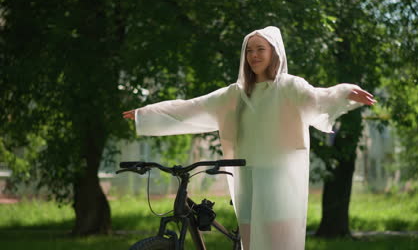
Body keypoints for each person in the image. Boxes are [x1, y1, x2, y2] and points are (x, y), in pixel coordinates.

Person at [123, 26, 375, 250]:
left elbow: (319, 99)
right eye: (249, 50)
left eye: (260, 49)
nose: (253, 55)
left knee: (277, 243)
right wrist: (144, 114)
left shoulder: (289, 86)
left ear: (274, 52)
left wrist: (345, 92)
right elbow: (190, 108)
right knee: (251, 243)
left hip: (280, 178)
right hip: (247, 177)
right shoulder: (236, 94)